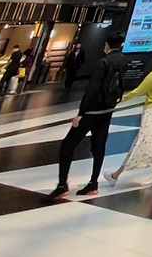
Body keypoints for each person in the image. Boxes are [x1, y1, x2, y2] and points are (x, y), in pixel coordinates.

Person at [47, 34, 127, 202]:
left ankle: (62, 185)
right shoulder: (123, 61)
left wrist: (81, 113)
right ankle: (93, 183)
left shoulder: (103, 62)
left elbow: (92, 88)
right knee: (99, 146)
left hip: (92, 111)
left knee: (68, 145)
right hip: (107, 110)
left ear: (107, 45)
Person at [105, 49, 152, 186]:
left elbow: (137, 91)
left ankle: (117, 175)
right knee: (149, 141)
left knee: (144, 142)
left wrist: (118, 100)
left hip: (151, 111)